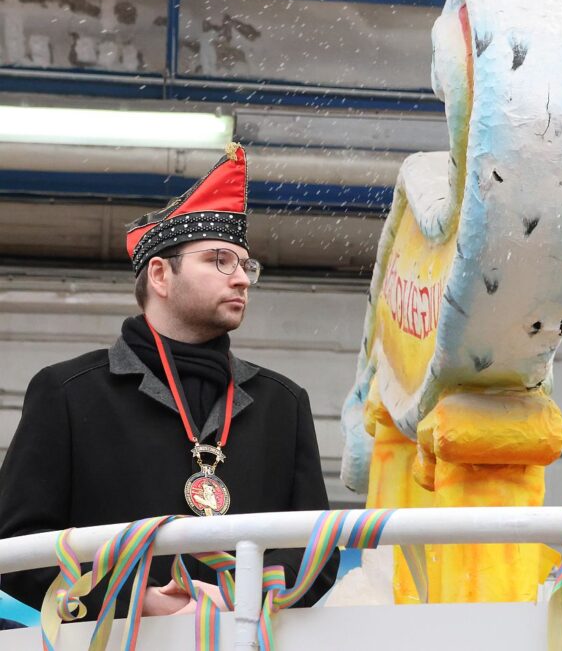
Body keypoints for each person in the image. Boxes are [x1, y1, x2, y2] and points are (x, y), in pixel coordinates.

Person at [0, 144, 338, 618]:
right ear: (160, 275)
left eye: (245, 266)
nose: (241, 279)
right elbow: (16, 546)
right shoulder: (70, 393)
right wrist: (129, 602)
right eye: (219, 260)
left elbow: (317, 553)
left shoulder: (282, 403)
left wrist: (236, 598)